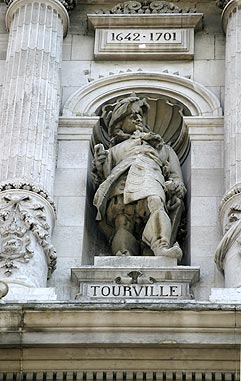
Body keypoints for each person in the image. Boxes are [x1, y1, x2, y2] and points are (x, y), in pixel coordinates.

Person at [92, 94, 186, 260]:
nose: (138, 118)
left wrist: (177, 185)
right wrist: (100, 165)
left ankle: (161, 246)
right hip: (120, 186)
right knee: (122, 222)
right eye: (131, 115)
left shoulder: (163, 148)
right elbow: (103, 178)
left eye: (139, 115)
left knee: (155, 203)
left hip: (150, 180)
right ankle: (123, 254)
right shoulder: (114, 150)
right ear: (120, 123)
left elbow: (176, 176)